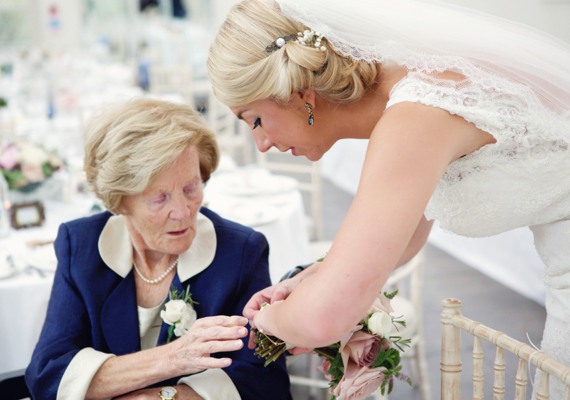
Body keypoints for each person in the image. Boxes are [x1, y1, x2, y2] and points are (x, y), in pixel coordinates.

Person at [206, 0, 570, 397]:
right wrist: (309, 280)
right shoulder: (412, 93)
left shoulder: (415, 117)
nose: (260, 144)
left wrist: (267, 321)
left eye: (255, 120)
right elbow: (403, 239)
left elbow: (325, 316)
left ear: (300, 96)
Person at [25, 98, 291, 400]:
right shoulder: (82, 247)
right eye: (159, 198)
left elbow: (264, 382)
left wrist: (163, 397)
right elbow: (48, 376)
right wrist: (172, 358)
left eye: (191, 188)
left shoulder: (240, 252)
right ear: (120, 200)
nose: (183, 211)